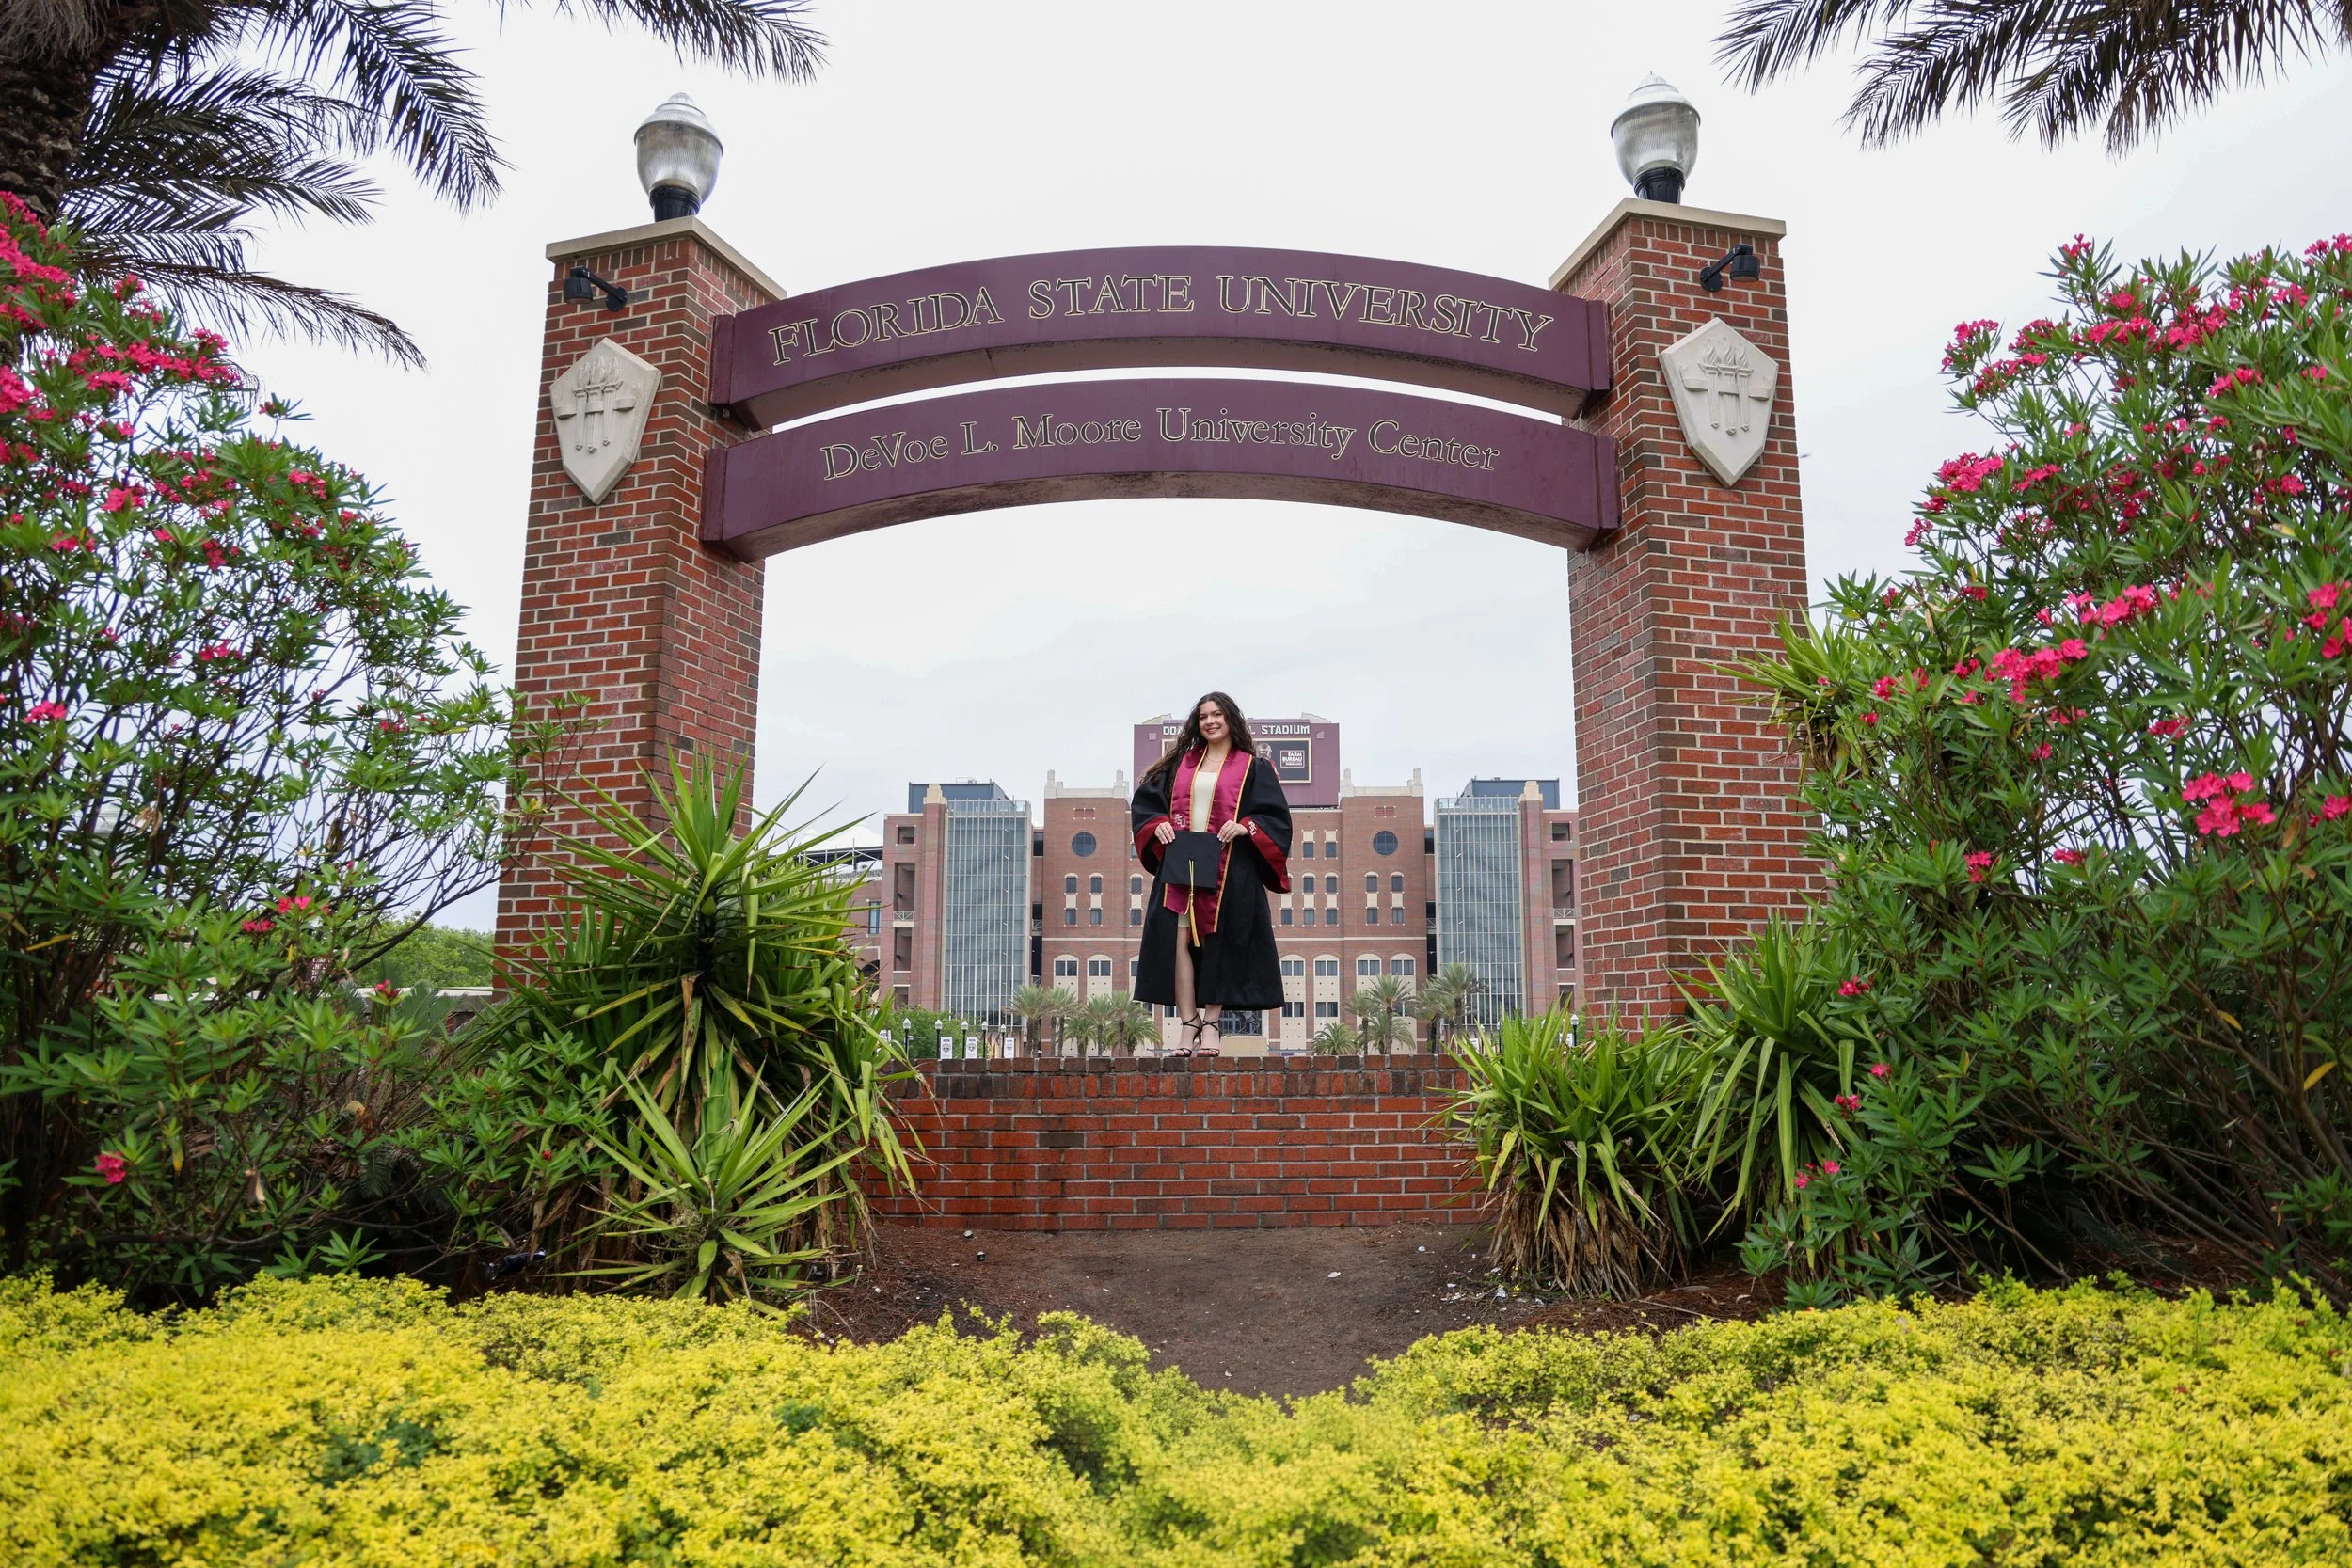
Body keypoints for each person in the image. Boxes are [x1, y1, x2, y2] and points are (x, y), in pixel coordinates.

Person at [1131, 691, 1292, 1056]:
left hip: (1229, 866)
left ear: (1231, 718)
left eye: (1217, 714)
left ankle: (1212, 1025)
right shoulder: (1178, 766)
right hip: (1182, 862)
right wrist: (1158, 825)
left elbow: (1276, 818)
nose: (1210, 721)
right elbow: (1145, 806)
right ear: (1196, 723)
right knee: (1178, 941)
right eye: (1203, 716)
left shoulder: (1254, 767)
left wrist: (1246, 826)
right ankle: (1188, 1026)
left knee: (1219, 942)